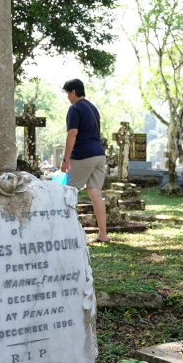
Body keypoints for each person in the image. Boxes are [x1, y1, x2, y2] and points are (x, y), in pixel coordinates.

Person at [59, 79, 109, 243]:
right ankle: (103, 235)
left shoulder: (75, 108)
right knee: (96, 194)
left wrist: (66, 159)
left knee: (67, 193)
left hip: (83, 154)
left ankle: (66, 233)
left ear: (73, 92)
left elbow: (72, 133)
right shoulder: (93, 108)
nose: (68, 98)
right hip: (99, 155)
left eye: (68, 93)